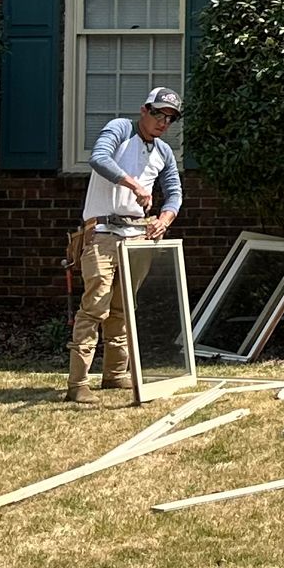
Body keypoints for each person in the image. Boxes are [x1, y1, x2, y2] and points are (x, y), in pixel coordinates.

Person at [67, 87, 183, 402]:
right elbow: (99, 158)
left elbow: (173, 190)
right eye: (159, 113)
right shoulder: (120, 128)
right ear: (144, 110)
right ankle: (78, 385)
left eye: (170, 118)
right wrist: (134, 185)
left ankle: (115, 375)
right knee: (95, 306)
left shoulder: (163, 151)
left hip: (137, 236)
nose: (163, 122)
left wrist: (165, 218)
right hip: (102, 232)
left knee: (123, 307)